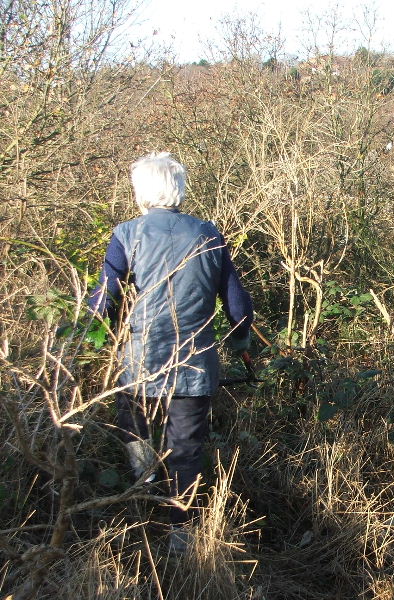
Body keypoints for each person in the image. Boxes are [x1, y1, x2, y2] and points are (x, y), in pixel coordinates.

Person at [89, 152, 253, 551]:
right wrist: (242, 346)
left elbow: (103, 300)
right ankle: (182, 534)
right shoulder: (208, 234)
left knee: (133, 423)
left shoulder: (127, 233)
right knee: (186, 449)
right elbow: (238, 308)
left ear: (141, 191)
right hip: (195, 363)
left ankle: (145, 486)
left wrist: (92, 336)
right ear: (179, 189)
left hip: (141, 361)